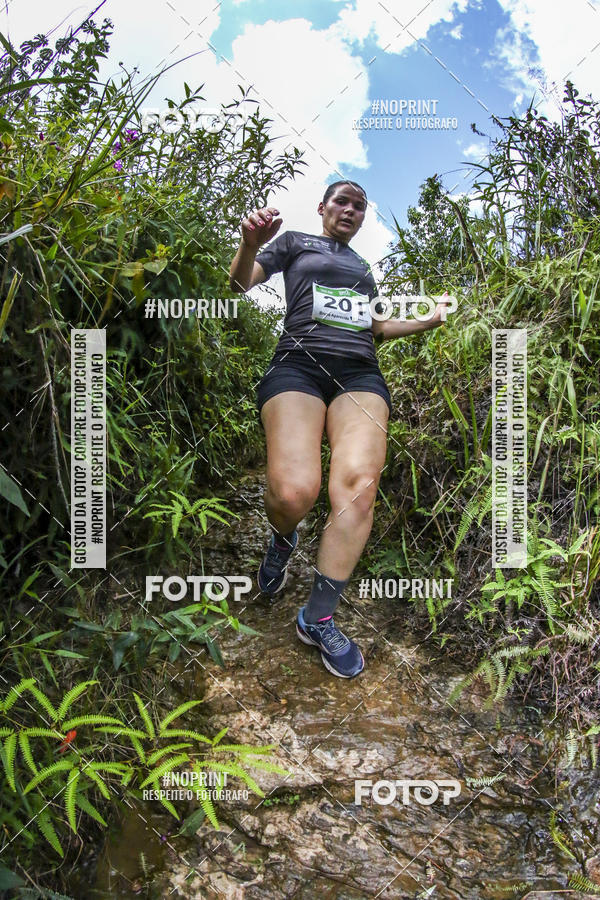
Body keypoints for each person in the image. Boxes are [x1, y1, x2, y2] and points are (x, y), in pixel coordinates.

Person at [229, 180, 449, 678]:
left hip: (359, 375)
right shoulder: (293, 244)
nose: (350, 209)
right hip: (297, 368)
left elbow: (376, 327)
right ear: (323, 207)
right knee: (293, 491)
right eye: (342, 201)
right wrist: (249, 243)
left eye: (359, 205)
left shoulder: (363, 270)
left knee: (357, 486)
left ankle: (318, 616)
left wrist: (429, 319)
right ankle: (284, 538)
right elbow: (240, 284)